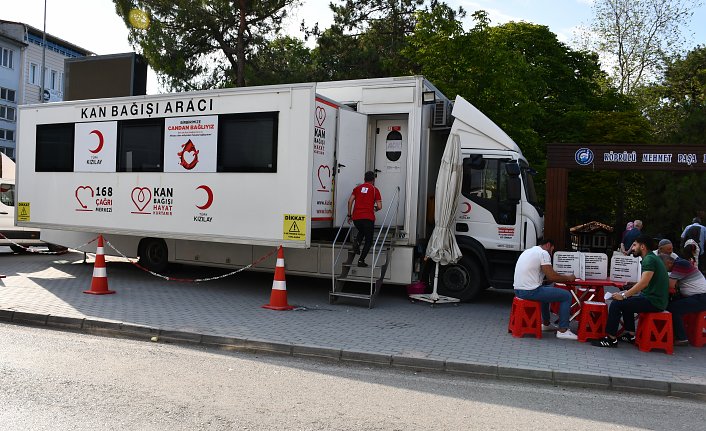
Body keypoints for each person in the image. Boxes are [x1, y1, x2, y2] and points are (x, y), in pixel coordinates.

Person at [592, 234, 669, 348]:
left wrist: (623, 295)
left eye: (634, 245)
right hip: (654, 299)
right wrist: (630, 288)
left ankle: (611, 339)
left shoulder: (649, 260)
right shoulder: (651, 258)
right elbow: (647, 280)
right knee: (627, 302)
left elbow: (644, 283)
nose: (632, 248)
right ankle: (630, 334)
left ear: (642, 247)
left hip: (654, 301)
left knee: (616, 304)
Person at [513, 239, 579, 340]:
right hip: (530, 291)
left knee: (545, 291)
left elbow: (545, 276)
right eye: (552, 250)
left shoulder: (528, 251)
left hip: (518, 290)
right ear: (548, 245)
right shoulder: (543, 253)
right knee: (566, 295)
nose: (552, 253)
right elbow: (551, 277)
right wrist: (568, 278)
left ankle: (546, 324)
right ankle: (563, 330)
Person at [660, 254, 706, 346]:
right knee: (670, 304)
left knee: (673, 308)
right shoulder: (679, 264)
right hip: (695, 297)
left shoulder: (680, 264)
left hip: (701, 297)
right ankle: (670, 333)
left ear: (669, 263)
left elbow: (670, 285)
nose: (662, 269)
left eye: (661, 266)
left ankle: (682, 338)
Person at [347, 171, 382, 268]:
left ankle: (357, 243)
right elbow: (379, 206)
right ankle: (361, 260)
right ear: (373, 180)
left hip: (356, 218)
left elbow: (350, 201)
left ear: (364, 179)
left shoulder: (357, 188)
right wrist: (374, 208)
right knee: (369, 240)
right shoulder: (375, 190)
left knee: (362, 230)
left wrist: (349, 215)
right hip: (368, 218)